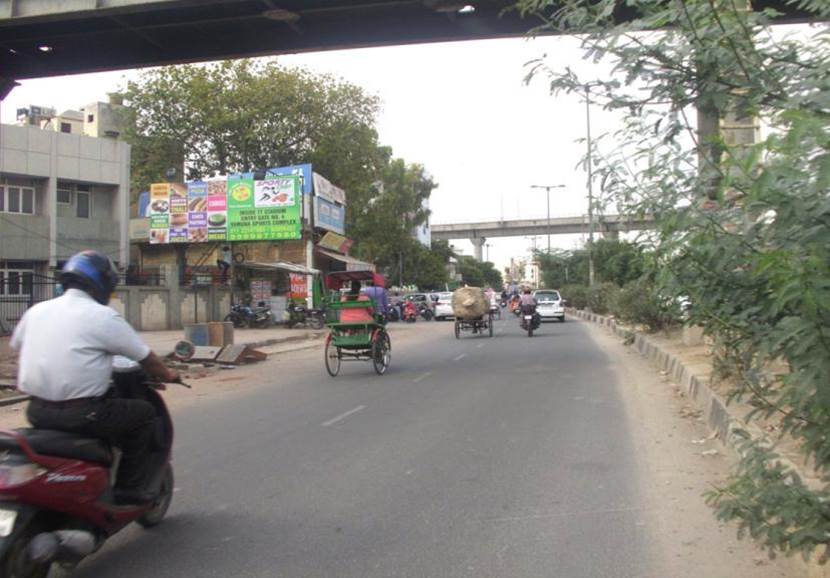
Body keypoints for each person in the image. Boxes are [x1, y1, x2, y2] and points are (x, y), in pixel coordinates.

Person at [10, 250, 179, 504]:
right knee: (144, 415)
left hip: (37, 410)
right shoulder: (101, 316)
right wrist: (168, 374)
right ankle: (129, 488)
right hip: (83, 415)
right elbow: (146, 358)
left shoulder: (37, 311)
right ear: (102, 285)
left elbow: (17, 345)